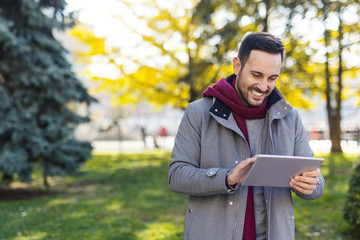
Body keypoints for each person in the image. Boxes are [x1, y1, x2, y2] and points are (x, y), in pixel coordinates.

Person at [168, 32, 325, 240]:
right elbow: (177, 176)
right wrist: (227, 177)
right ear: (237, 66)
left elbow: (316, 181)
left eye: (272, 78)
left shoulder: (290, 118)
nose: (263, 86)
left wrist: (311, 185)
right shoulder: (199, 113)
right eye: (256, 75)